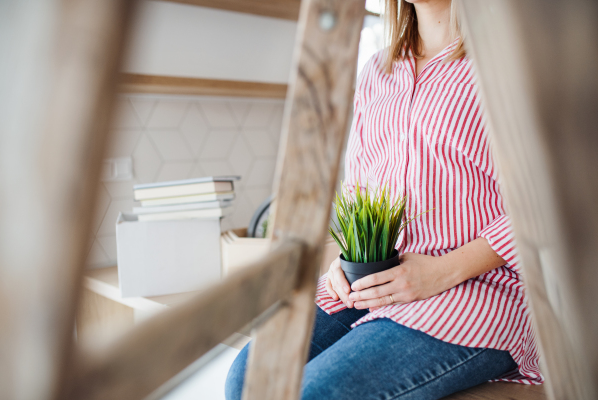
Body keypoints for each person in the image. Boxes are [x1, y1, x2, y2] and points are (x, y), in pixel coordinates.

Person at [226, 0, 543, 398]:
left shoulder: (513, 59)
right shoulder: (377, 71)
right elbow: (360, 190)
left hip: (479, 288)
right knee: (246, 382)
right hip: (376, 279)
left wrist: (441, 272)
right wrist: (344, 261)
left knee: (313, 393)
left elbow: (546, 206)